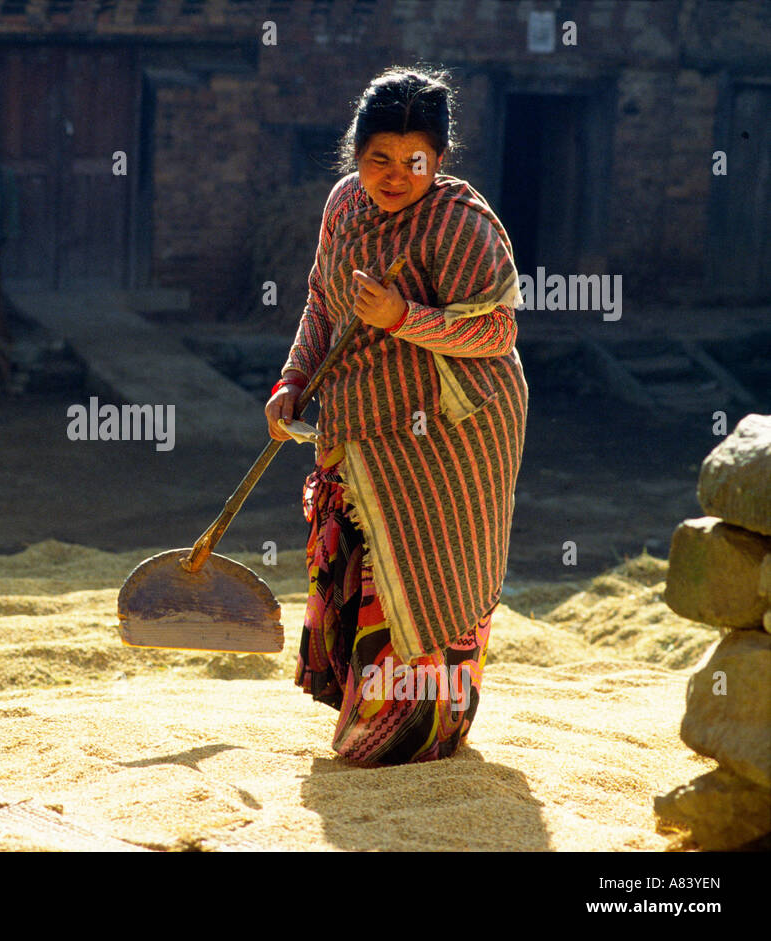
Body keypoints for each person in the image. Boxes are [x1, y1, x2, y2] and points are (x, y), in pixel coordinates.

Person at [264, 67, 527, 765]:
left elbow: (497, 332)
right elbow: (323, 301)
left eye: (414, 161)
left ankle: (420, 731)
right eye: (378, 157)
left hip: (454, 431)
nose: (394, 175)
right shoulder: (344, 207)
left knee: (429, 573)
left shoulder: (461, 225)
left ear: (438, 160)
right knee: (371, 567)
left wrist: (401, 317)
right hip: (364, 424)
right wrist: (293, 378)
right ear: (356, 155)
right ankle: (369, 714)